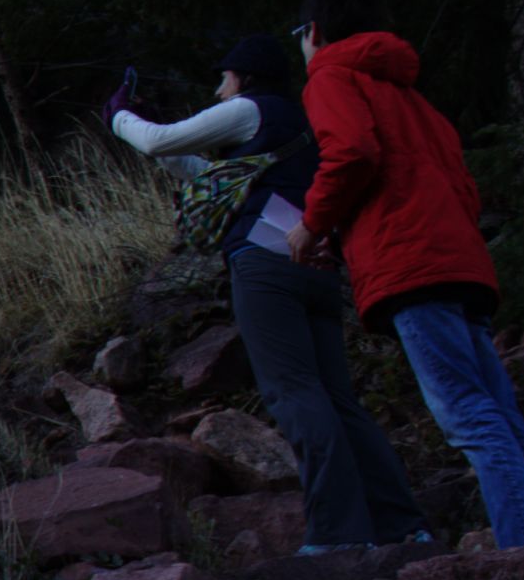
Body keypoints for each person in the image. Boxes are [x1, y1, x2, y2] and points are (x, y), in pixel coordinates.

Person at [107, 33, 430, 553]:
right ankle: (402, 526)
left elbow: (156, 140)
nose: (218, 92)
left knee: (294, 394)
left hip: (264, 263)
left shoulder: (252, 109)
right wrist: (161, 143)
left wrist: (120, 116)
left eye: (224, 79)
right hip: (315, 264)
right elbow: (216, 178)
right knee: (339, 401)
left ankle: (338, 535)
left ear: (246, 77)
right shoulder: (297, 121)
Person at [286, 0, 524, 549]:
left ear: (314, 32)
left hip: (412, 271)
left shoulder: (330, 78)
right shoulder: (415, 99)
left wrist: (310, 226)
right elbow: (452, 190)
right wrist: (345, 241)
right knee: (503, 417)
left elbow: (352, 153)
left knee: (469, 416)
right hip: (458, 264)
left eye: (300, 34)